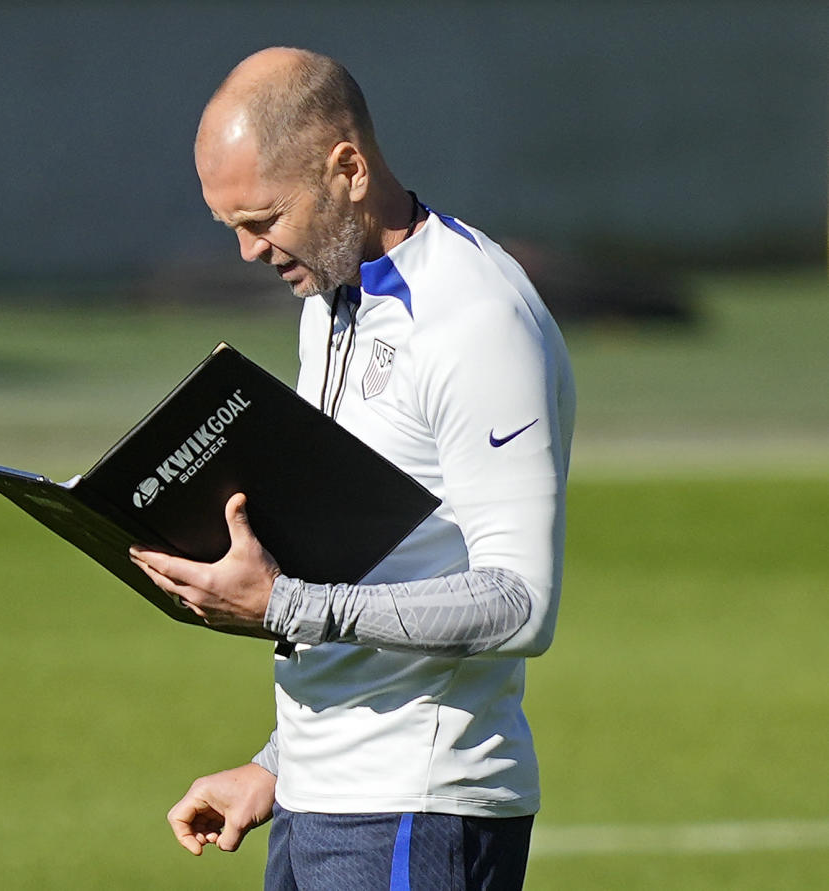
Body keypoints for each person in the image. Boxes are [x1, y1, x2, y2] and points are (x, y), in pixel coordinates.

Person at [129, 46, 575, 891]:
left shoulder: (475, 317)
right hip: (315, 801)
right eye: (231, 228)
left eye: (262, 219)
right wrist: (277, 764)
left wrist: (284, 604)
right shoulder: (332, 299)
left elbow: (522, 602)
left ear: (349, 168)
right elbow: (377, 553)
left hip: (418, 808)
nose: (249, 252)